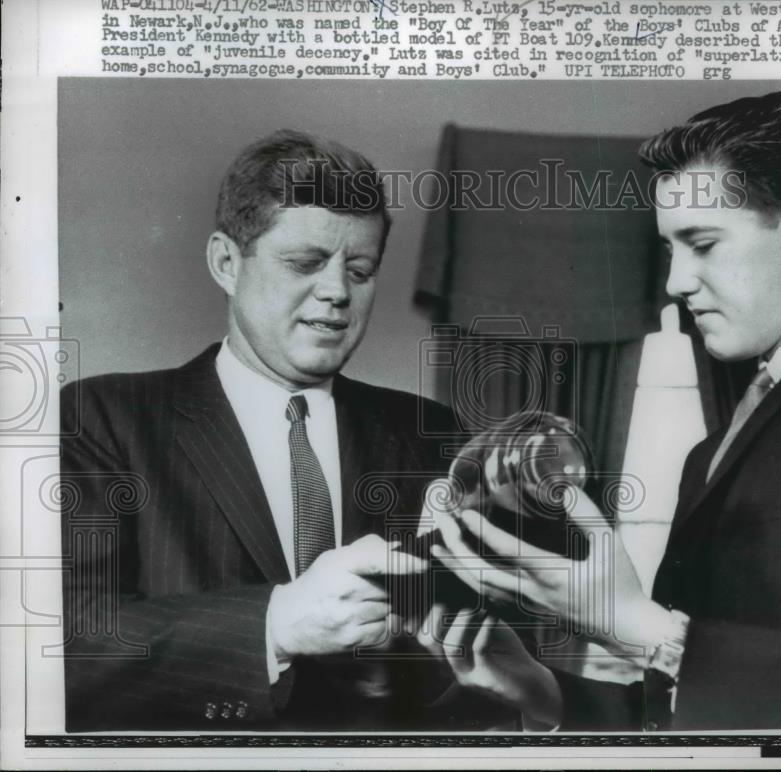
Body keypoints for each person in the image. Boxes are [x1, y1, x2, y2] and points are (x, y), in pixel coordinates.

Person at [432, 92, 781, 730]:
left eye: (703, 243)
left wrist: (641, 629)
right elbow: (695, 716)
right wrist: (542, 689)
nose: (676, 282)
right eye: (670, 250)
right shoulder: (706, 457)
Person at [59, 129, 530, 731]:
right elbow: (66, 645)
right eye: (305, 263)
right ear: (226, 263)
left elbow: (479, 669)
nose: (336, 291)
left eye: (360, 271)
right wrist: (277, 623)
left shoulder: (432, 431)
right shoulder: (102, 418)